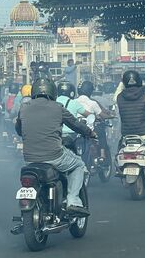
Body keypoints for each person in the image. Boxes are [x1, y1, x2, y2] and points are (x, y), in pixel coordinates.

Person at [15, 78, 96, 216]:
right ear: (53, 92)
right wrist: (90, 133)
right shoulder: (58, 107)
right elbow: (75, 125)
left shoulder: (24, 107)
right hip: (54, 156)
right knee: (78, 164)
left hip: (29, 158)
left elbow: (18, 129)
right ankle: (73, 200)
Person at [56, 81, 89, 152]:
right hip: (71, 135)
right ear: (72, 93)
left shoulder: (53, 102)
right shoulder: (74, 103)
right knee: (78, 160)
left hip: (57, 134)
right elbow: (88, 114)